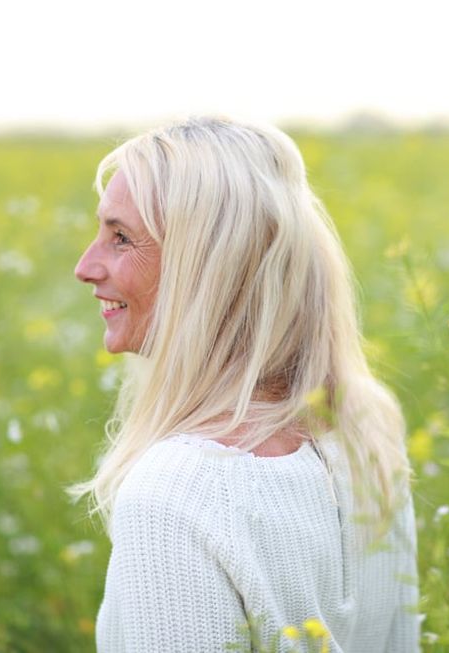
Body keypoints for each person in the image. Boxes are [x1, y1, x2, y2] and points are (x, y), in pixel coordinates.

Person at [68, 116, 419, 652]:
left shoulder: (176, 493)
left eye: (121, 238)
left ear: (206, 266)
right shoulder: (366, 428)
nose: (86, 266)